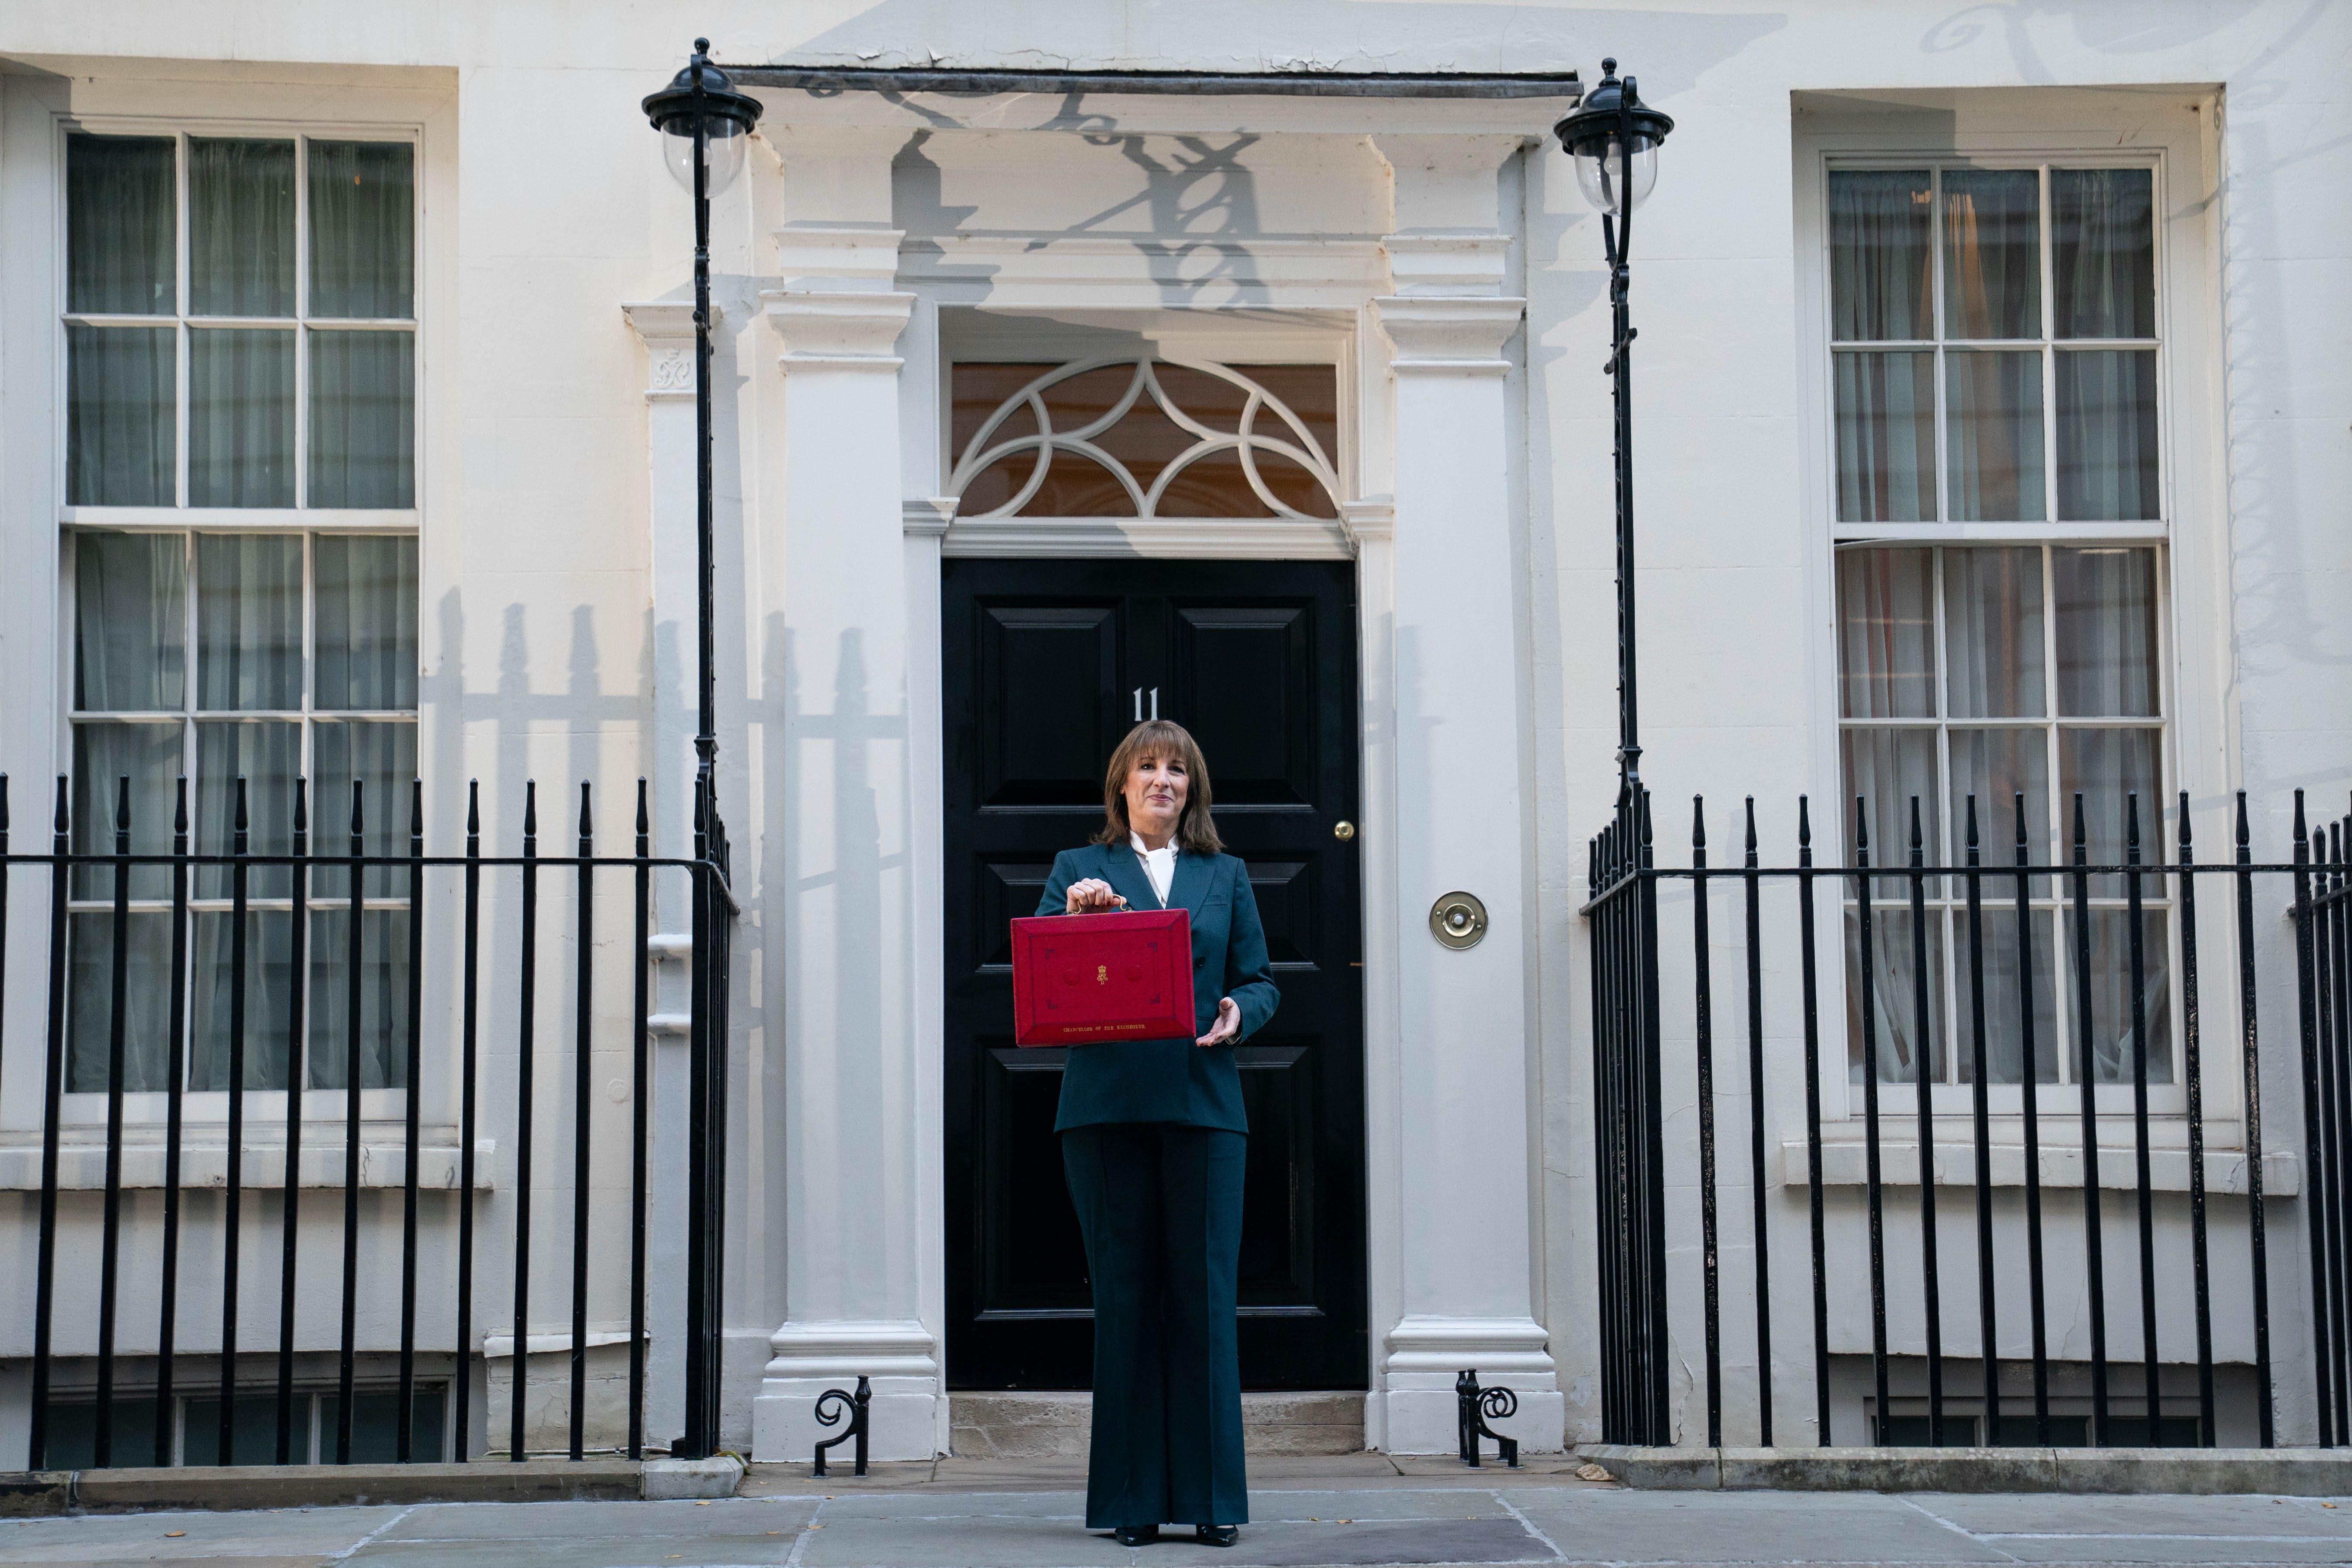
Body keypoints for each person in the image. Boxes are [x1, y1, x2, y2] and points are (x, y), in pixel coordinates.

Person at [1034, 719, 1278, 1548]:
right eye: (1149, 768)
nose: (1163, 781)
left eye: (1178, 770)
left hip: (1205, 1107)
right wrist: (1076, 917)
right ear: (1122, 786)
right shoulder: (1078, 870)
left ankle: (1215, 1501)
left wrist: (1242, 1011)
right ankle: (1131, 1501)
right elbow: (1041, 977)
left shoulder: (1227, 873)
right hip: (1103, 1110)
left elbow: (1259, 978)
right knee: (1126, 1300)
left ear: (1193, 789)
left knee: (1204, 1301)